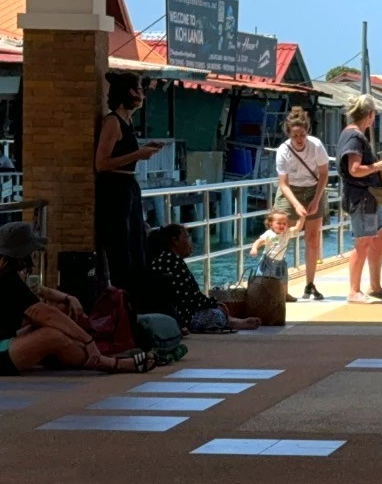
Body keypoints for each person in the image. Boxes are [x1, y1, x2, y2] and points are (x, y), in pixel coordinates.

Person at [0, 222, 157, 376]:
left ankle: (75, 355)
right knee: (52, 336)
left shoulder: (10, 276)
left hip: (6, 340)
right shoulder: (7, 279)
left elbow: (42, 295)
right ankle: (110, 363)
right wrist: (88, 341)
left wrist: (69, 298)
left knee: (60, 315)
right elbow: (46, 314)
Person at [95, 72, 163, 300]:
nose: (143, 95)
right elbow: (101, 163)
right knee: (120, 247)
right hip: (114, 188)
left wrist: (142, 150)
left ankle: (137, 300)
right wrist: (138, 154)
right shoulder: (112, 122)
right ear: (131, 92)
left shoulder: (128, 121)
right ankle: (124, 301)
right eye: (141, 90)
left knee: (136, 243)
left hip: (128, 187)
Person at [338, 95, 382, 304]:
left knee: (380, 236)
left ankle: (375, 286)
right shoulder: (354, 137)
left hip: (370, 197)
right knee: (363, 241)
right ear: (370, 115)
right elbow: (354, 169)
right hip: (361, 197)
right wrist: (377, 166)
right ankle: (354, 290)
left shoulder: (354, 134)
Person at [147, 224, 261, 334]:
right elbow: (192, 297)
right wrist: (215, 303)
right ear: (175, 241)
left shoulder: (162, 259)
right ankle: (230, 321)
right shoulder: (175, 262)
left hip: (166, 312)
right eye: (187, 237)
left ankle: (230, 320)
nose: (190, 242)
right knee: (217, 314)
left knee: (216, 310)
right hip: (181, 316)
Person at [273, 107, 329, 301]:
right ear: (289, 134)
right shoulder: (283, 150)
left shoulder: (316, 146)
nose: (299, 139)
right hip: (291, 190)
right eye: (295, 135)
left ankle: (310, 284)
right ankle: (278, 285)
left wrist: (316, 200)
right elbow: (283, 183)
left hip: (314, 188)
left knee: (312, 238)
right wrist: (296, 205)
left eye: (302, 135)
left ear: (307, 132)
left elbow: (324, 174)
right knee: (280, 237)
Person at [248, 209, 304, 297]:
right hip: (268, 261)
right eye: (279, 223)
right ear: (271, 224)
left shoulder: (286, 233)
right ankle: (261, 295)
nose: (282, 225)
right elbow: (259, 241)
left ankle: (284, 295)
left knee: (283, 279)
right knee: (264, 278)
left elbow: (297, 228)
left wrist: (302, 217)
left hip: (281, 261)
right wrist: (254, 248)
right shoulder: (269, 234)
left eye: (284, 223)